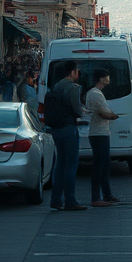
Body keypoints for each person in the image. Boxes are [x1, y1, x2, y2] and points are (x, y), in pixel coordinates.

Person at [47, 60, 87, 211]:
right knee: (71, 165)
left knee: (60, 165)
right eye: (77, 71)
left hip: (56, 128)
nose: (78, 73)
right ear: (72, 72)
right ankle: (71, 200)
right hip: (69, 128)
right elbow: (77, 110)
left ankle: (56, 199)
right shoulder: (73, 88)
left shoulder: (57, 85)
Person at [85, 69, 120, 207]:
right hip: (98, 133)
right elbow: (104, 113)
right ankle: (96, 197)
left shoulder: (97, 93)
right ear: (100, 79)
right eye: (106, 77)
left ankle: (107, 194)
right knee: (100, 165)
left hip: (102, 132)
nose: (109, 79)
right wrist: (114, 116)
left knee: (105, 165)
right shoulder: (95, 94)